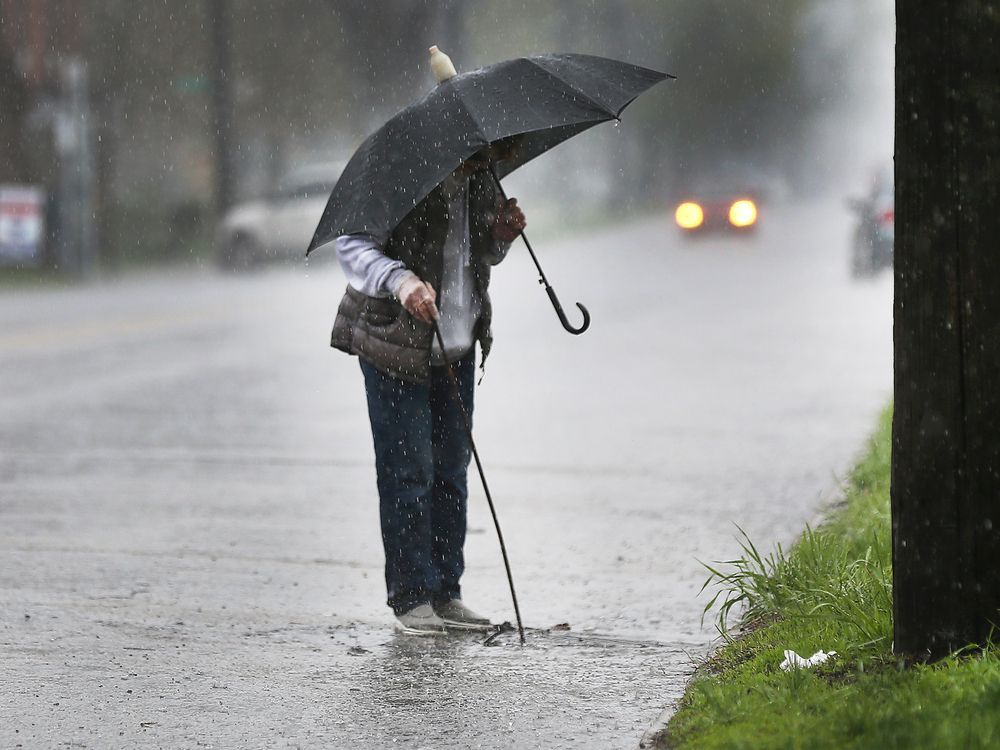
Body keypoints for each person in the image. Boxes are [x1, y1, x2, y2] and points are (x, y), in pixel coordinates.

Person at [330, 148, 526, 635]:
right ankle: (412, 596)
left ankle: (445, 591)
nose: (487, 160)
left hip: (455, 343)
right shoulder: (399, 175)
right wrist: (401, 280)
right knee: (408, 470)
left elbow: (472, 256)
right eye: (478, 155)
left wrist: (500, 238)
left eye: (491, 155)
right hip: (396, 344)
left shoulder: (483, 180)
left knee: (451, 471)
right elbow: (351, 246)